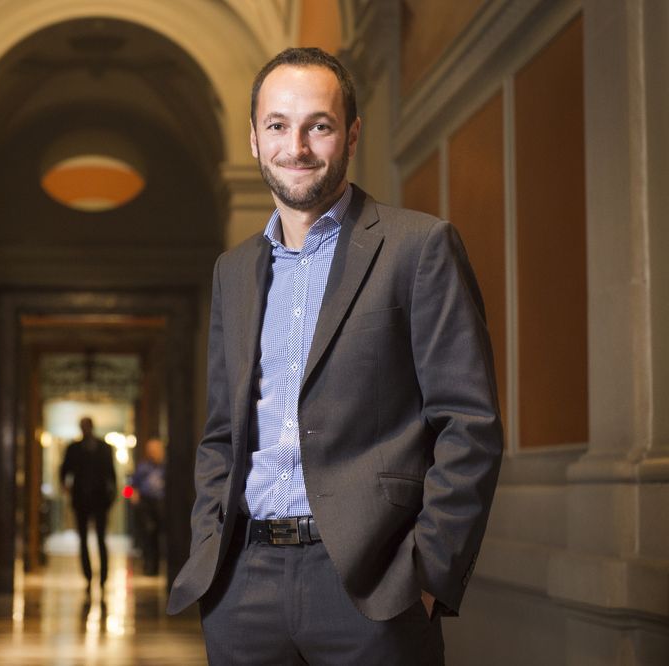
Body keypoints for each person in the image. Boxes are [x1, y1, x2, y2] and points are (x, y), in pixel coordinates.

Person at [167, 47, 503, 665]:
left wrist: (427, 575)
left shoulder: (419, 247)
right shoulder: (234, 271)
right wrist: (210, 544)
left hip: (372, 589)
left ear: (349, 136)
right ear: (253, 137)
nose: (296, 145)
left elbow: (470, 425)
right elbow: (221, 432)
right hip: (243, 584)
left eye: (317, 125)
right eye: (277, 125)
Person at [59, 417, 117, 589]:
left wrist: (111, 496)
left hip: (99, 499)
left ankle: (103, 576)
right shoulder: (74, 448)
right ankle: (89, 575)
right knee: (84, 539)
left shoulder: (103, 448)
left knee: (100, 538)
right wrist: (66, 488)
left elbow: (111, 474)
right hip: (81, 499)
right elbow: (64, 471)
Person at [131, 438, 166, 576]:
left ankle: (158, 565)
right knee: (148, 535)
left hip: (162, 504)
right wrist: (134, 498)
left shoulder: (166, 467)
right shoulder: (143, 467)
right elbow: (132, 486)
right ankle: (149, 565)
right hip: (146, 504)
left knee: (160, 536)